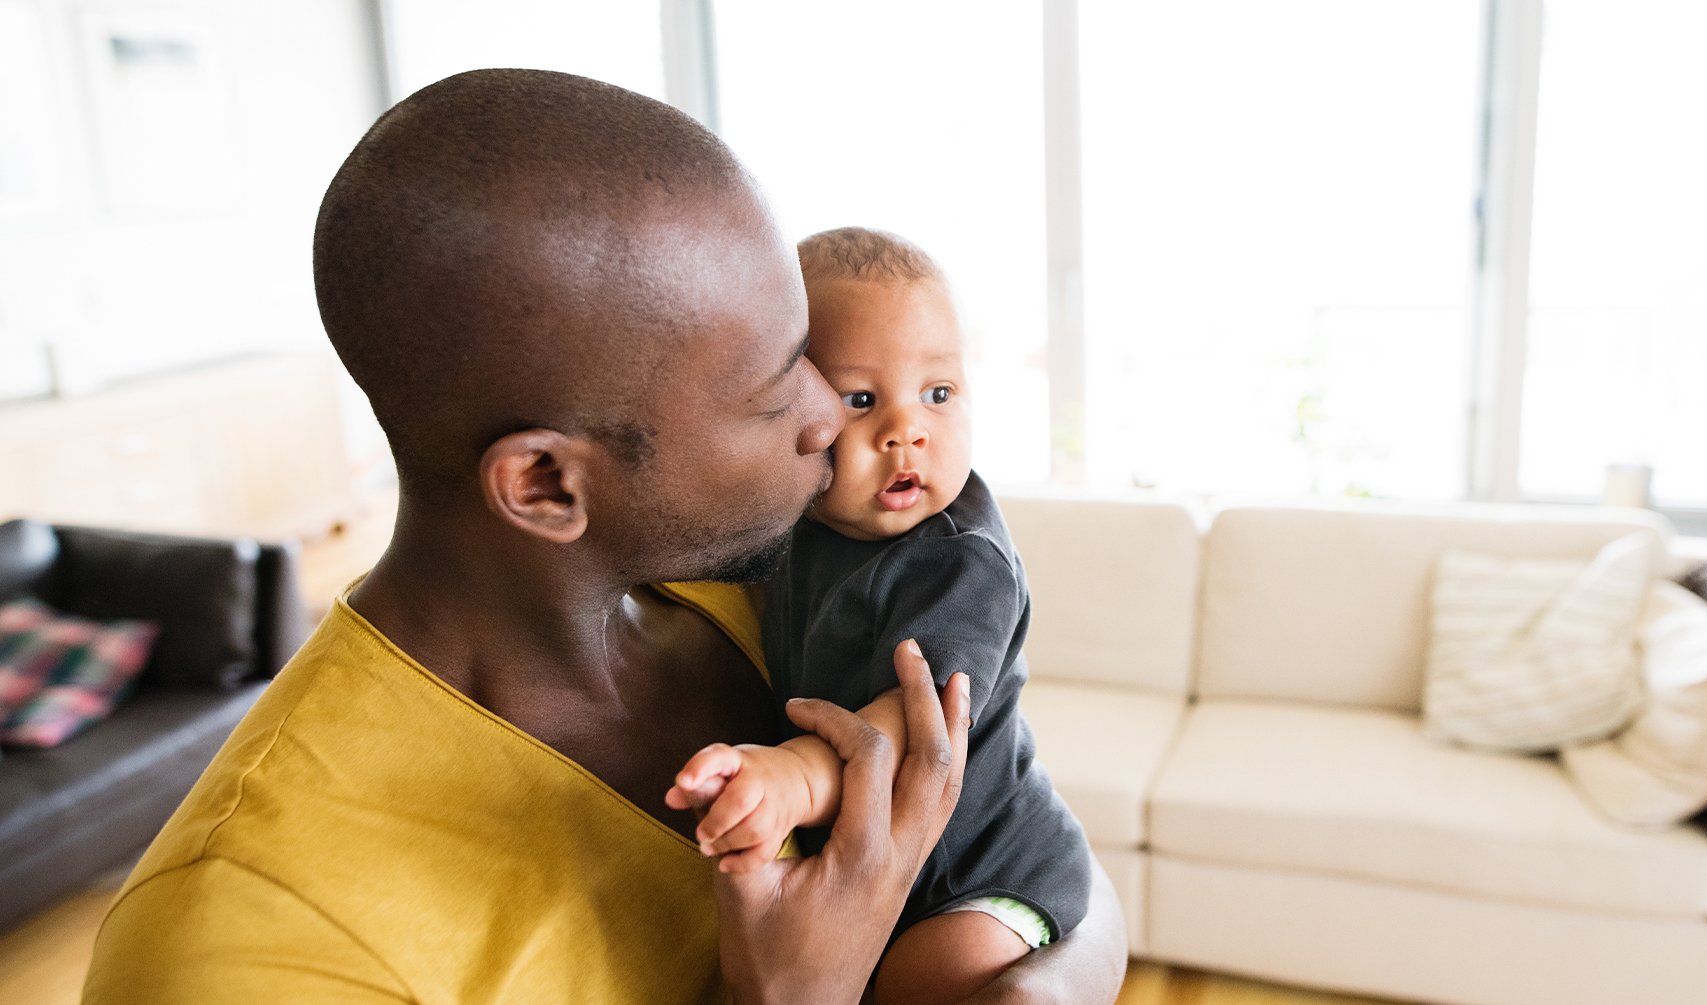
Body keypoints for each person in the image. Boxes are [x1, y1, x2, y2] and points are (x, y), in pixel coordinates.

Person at [81, 68, 1125, 1004]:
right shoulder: (243, 948)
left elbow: (1046, 855)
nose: (830, 419)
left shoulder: (756, 578)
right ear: (544, 483)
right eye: (774, 392)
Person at [665, 228, 1090, 1004]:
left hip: (982, 868)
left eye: (938, 392)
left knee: (919, 980)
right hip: (873, 863)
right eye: (862, 399)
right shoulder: (802, 523)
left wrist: (795, 777)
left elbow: (919, 722)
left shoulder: (958, 559)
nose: (908, 430)